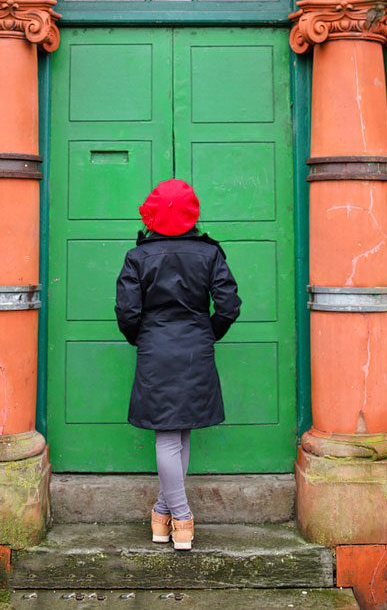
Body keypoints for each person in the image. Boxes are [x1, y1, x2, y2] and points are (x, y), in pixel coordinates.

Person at [114, 178, 241, 551]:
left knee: (173, 433)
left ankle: (169, 518)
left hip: (156, 347)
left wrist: (142, 337)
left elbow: (127, 311)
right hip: (195, 346)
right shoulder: (210, 253)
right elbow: (229, 306)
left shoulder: (138, 258)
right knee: (178, 433)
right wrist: (207, 332)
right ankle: (176, 519)